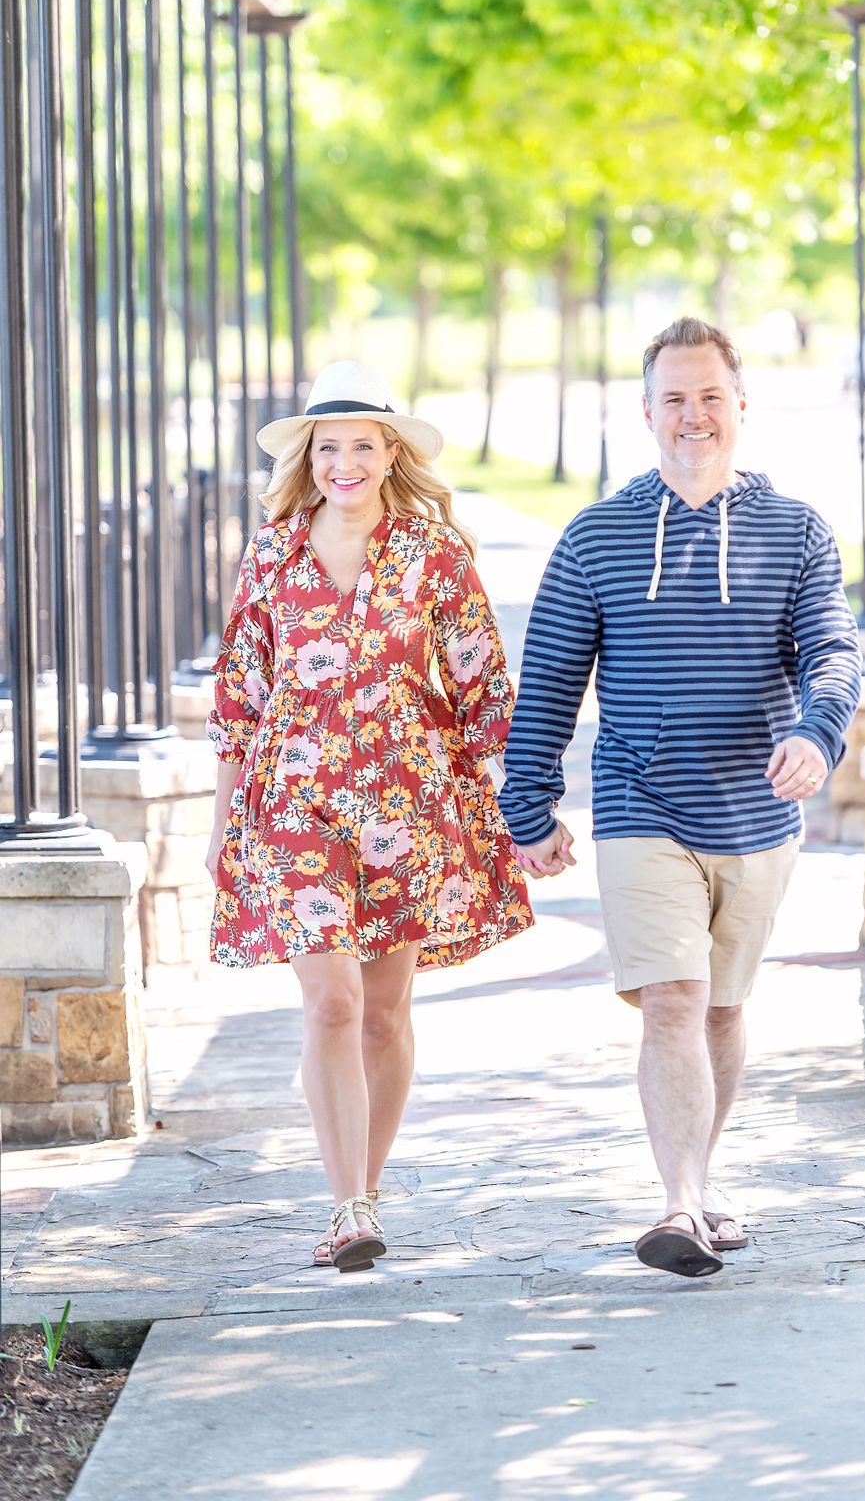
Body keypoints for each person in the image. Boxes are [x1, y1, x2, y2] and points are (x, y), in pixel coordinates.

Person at [498, 316, 861, 1278]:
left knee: (723, 1010)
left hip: (756, 810)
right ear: (647, 411)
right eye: (674, 398)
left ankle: (704, 1180)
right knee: (674, 996)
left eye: (710, 396)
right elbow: (549, 683)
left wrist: (815, 734)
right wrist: (528, 805)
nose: (692, 415)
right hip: (638, 800)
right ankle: (679, 1205)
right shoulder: (598, 538)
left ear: (740, 406)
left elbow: (832, 652)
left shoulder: (797, 531)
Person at [205, 360, 532, 1273]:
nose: (343, 461)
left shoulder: (433, 551)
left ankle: (369, 1193)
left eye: (361, 444)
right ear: (307, 458)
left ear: (391, 453)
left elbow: (481, 688)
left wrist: (521, 804)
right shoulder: (271, 551)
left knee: (384, 1014)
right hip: (294, 802)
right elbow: (240, 694)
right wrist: (221, 825)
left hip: (408, 801)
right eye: (328, 446)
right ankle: (346, 1207)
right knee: (333, 1002)